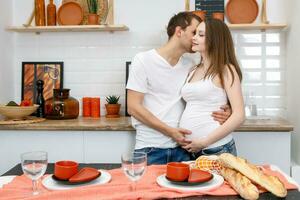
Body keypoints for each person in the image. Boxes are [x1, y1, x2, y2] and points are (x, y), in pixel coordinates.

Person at [126, 12, 231, 165]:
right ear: (179, 31)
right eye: (194, 32)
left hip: (185, 150)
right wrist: (171, 132)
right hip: (152, 149)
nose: (196, 37)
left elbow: (205, 97)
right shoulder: (143, 60)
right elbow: (133, 107)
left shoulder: (190, 66)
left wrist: (228, 110)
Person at [180, 18, 245, 159]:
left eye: (201, 35)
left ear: (214, 40)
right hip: (189, 150)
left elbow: (239, 115)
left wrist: (204, 142)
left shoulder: (226, 69)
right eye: (195, 33)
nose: (194, 37)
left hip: (216, 149)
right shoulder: (193, 69)